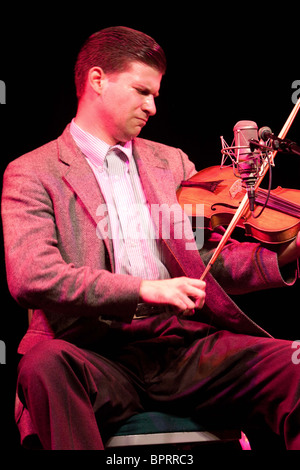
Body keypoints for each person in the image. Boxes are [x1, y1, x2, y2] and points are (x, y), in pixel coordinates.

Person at [2, 26, 300, 450]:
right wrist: (145, 290)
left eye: (156, 95)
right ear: (98, 80)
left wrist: (287, 253)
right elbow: (32, 276)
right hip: (95, 355)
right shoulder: (33, 172)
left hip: (182, 350)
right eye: (143, 91)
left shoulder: (172, 162)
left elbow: (208, 261)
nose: (153, 107)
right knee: (43, 365)